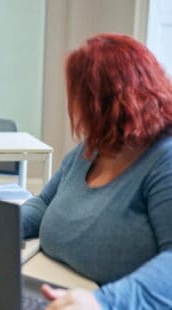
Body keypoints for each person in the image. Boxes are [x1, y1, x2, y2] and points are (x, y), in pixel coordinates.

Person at [22, 33, 172, 309]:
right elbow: (44, 203)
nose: (76, 109)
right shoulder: (91, 148)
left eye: (81, 98)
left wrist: (102, 302)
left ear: (109, 103)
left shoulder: (164, 159)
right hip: (52, 285)